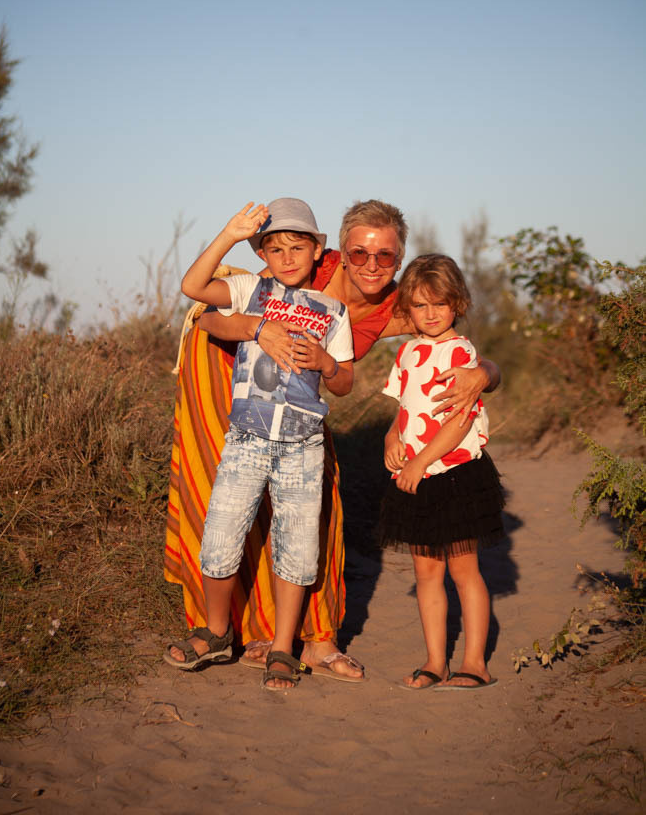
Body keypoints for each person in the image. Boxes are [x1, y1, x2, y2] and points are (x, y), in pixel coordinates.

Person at [164, 200, 500, 681]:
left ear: (399, 258)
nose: (370, 265)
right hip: (232, 375)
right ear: (339, 251)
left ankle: (312, 640)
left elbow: (451, 338)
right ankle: (235, 628)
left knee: (314, 514)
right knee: (232, 515)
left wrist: (484, 373)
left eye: (385, 256)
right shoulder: (306, 266)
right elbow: (211, 318)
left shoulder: (397, 306)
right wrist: (260, 328)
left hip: (302, 404)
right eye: (359, 253)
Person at [165, 199, 354, 690]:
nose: (287, 257)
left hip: (303, 445)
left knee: (296, 546)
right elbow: (193, 289)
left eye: (298, 247)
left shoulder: (334, 312)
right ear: (262, 254)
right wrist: (229, 234)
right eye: (275, 248)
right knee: (222, 534)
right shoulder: (250, 290)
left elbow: (345, 382)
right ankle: (216, 630)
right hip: (247, 439)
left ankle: (283, 649)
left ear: (317, 251)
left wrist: (326, 364)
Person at [380, 254, 505, 690]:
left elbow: (461, 421)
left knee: (463, 570)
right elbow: (404, 410)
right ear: (406, 309)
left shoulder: (461, 353)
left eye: (439, 304)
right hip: (415, 477)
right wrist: (391, 441)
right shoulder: (407, 352)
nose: (430, 314)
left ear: (457, 303)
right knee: (426, 573)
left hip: (454, 474)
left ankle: (475, 662)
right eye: (419, 305)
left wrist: (421, 460)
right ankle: (436, 661)